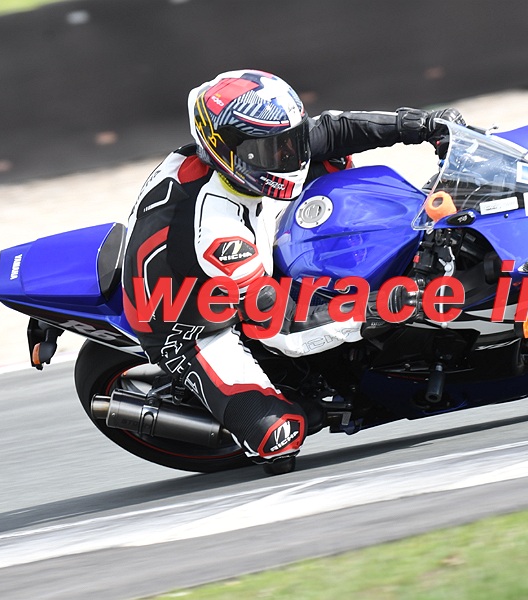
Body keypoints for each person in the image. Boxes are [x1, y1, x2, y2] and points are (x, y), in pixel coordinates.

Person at [121, 69, 463, 473]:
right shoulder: (215, 232)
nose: (288, 157)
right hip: (191, 321)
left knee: (330, 158)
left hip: (243, 261)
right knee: (281, 437)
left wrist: (420, 124)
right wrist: (386, 306)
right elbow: (281, 326)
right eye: (271, 149)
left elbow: (331, 130)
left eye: (289, 139)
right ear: (225, 150)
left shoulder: (242, 158)